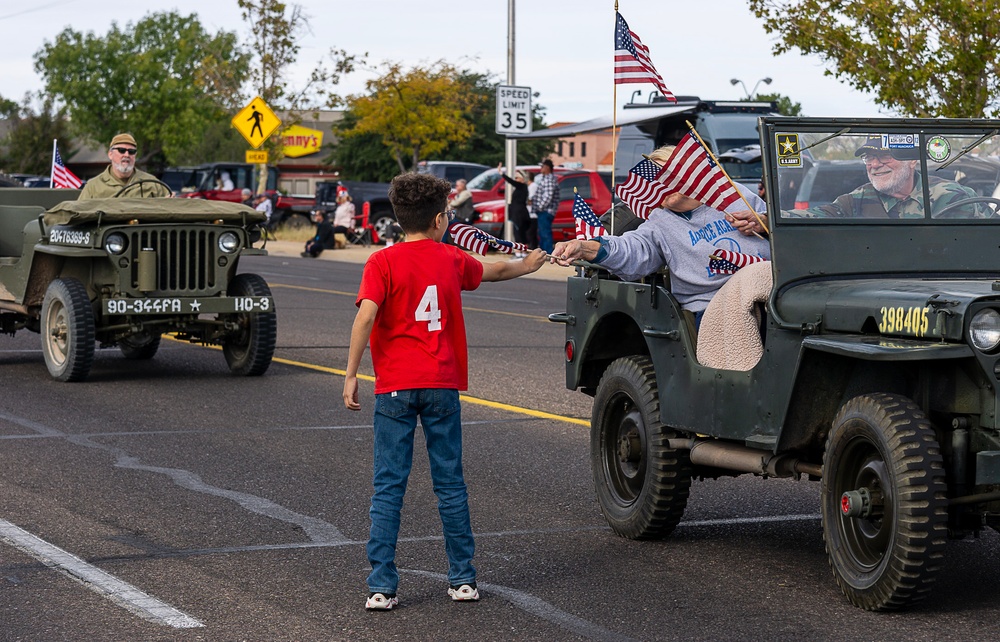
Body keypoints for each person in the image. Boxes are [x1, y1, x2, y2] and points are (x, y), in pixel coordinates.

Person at [343, 172, 546, 611]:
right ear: (440, 220)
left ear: (399, 219)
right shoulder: (451, 259)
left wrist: (351, 372)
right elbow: (493, 270)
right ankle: (462, 579)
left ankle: (381, 585)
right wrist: (528, 265)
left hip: (395, 388)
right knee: (450, 483)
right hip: (441, 385)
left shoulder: (381, 262)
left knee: (388, 486)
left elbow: (365, 316)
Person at [551, 144, 769, 330]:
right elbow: (632, 250)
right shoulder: (660, 223)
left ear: (688, 172)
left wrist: (763, 222)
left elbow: (785, 231)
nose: (661, 185)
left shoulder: (735, 193)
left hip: (771, 288)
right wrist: (585, 248)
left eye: (668, 175)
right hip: (714, 305)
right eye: (655, 181)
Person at [730, 135, 984, 235]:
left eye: (884, 156)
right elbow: (815, 215)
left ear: (913, 162)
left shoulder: (954, 196)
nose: (874, 164)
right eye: (868, 157)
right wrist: (764, 219)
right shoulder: (856, 200)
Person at [78, 133, 171, 200]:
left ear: (135, 155)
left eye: (131, 151)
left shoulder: (152, 183)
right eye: (121, 150)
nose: (126, 155)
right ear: (110, 154)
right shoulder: (94, 186)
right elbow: (80, 216)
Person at [497, 163, 530, 257]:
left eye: (517, 178)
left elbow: (511, 181)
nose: (516, 179)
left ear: (522, 179)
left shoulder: (522, 186)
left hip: (519, 213)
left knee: (519, 233)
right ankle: (522, 251)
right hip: (518, 212)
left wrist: (501, 173)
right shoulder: (521, 188)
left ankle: (520, 252)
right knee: (520, 232)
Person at [532, 159, 560, 253]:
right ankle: (543, 252)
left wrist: (540, 207)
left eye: (542, 166)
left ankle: (547, 252)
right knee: (542, 232)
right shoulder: (546, 178)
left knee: (545, 233)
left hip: (546, 211)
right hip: (544, 211)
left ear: (547, 168)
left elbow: (548, 196)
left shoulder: (549, 179)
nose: (541, 168)